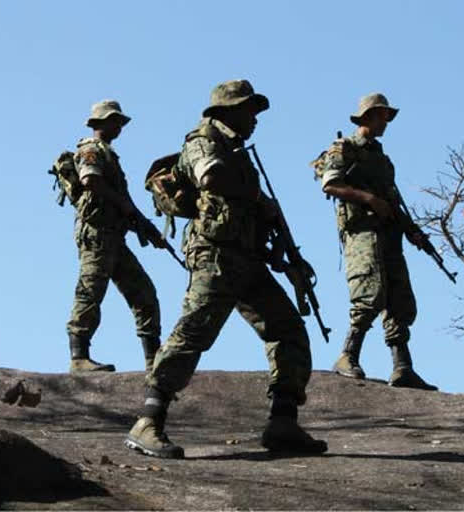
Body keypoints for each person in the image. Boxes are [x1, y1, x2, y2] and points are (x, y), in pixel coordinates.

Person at [125, 80, 328, 459]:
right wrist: (256, 198)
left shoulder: (238, 151)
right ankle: (148, 421)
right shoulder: (202, 141)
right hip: (216, 256)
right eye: (249, 110)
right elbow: (210, 176)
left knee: (288, 330)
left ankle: (283, 422)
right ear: (227, 110)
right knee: (194, 331)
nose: (255, 119)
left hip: (247, 259)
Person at [315, 93, 437, 391]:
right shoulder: (344, 148)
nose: (386, 122)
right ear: (369, 116)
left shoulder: (382, 159)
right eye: (382, 116)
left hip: (389, 233)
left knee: (400, 300)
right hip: (362, 232)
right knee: (370, 293)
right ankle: (347, 355)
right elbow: (329, 183)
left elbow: (394, 201)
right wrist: (367, 198)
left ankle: (402, 367)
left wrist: (413, 231)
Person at [66, 100, 162, 372]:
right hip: (96, 235)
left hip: (114, 238)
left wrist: (145, 226)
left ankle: (154, 362)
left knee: (144, 293)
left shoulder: (110, 155)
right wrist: (124, 206)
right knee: (90, 292)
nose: (119, 126)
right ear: (100, 123)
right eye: (114, 120)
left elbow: (123, 203)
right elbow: (90, 181)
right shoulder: (90, 149)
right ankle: (79, 357)